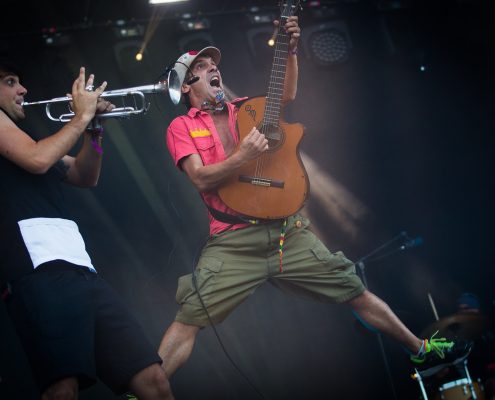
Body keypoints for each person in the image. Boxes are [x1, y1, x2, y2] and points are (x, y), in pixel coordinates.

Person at [158, 16, 470, 385]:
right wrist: (242, 156)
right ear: (187, 82)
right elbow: (199, 177)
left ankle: (420, 352)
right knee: (191, 314)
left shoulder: (247, 108)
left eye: (215, 66)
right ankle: (146, 386)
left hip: (287, 232)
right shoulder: (181, 127)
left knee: (354, 287)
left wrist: (290, 49)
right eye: (203, 67)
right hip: (233, 240)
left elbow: (286, 94)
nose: (214, 70)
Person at [0, 60, 174, 400]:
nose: (22, 90)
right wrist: (81, 116)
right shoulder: (28, 147)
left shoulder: (30, 142)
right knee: (62, 390)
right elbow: (39, 159)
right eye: (10, 82)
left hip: (80, 268)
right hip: (36, 273)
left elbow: (85, 175)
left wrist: (94, 130)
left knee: (154, 381)